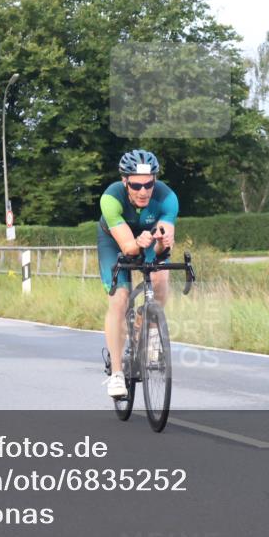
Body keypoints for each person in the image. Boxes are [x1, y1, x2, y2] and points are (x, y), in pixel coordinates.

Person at [98, 149, 177, 398]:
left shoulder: (167, 198)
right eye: (136, 185)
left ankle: (148, 330)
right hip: (116, 243)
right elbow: (129, 248)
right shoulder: (111, 198)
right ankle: (117, 374)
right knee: (120, 299)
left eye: (149, 184)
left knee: (161, 278)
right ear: (125, 181)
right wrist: (138, 243)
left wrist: (163, 240)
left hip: (149, 239)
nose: (143, 191)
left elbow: (163, 246)